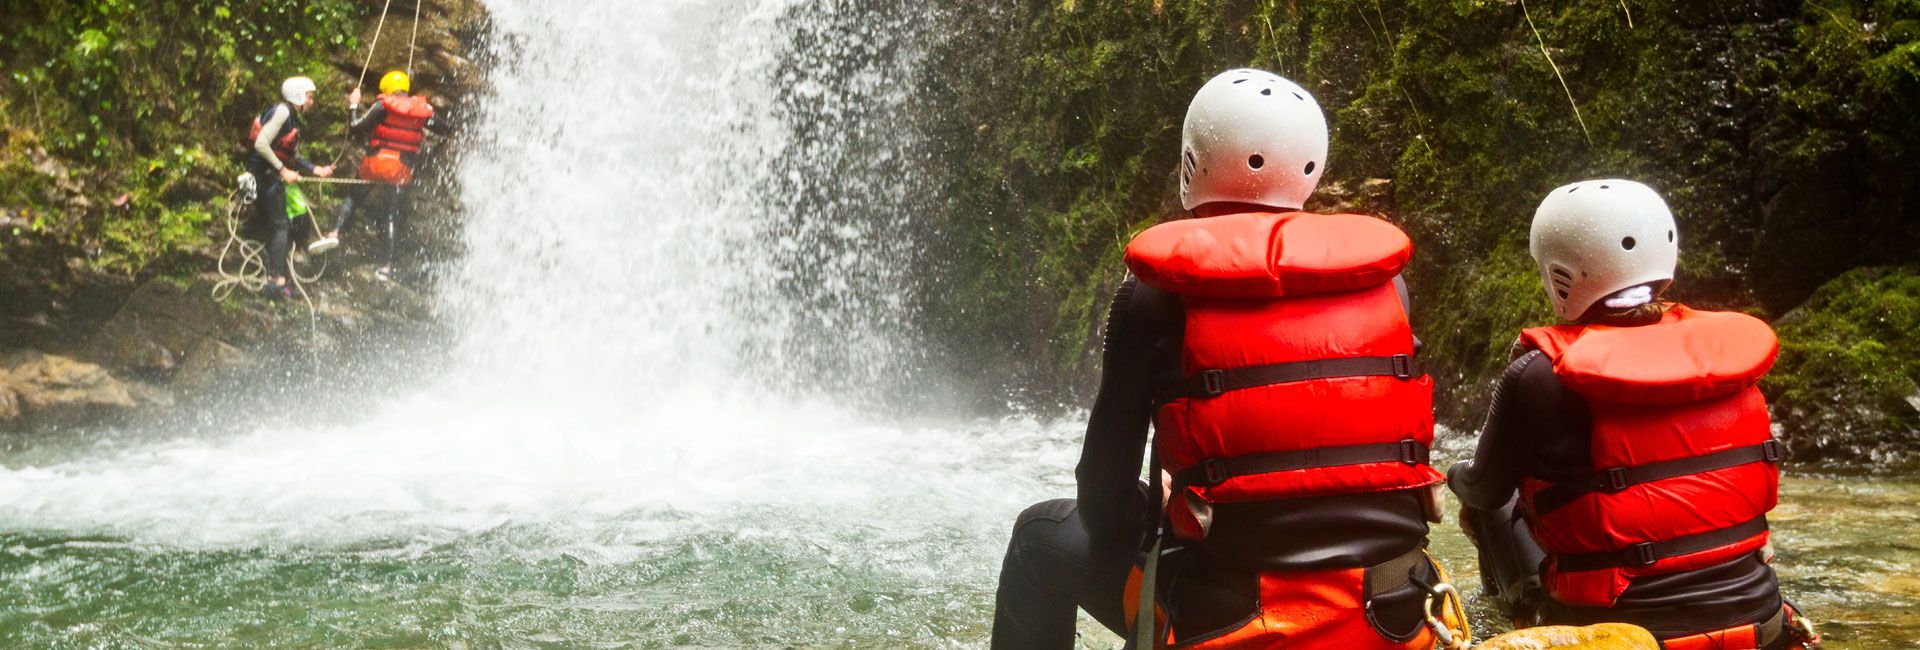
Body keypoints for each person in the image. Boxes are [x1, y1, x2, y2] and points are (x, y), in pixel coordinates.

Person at [991, 69, 1465, 649]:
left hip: (1231, 618)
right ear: (1311, 169)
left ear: (1195, 161)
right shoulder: (1388, 288)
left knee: (1040, 536)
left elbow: (1102, 494)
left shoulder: (1154, 295)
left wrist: (1163, 509)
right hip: (1391, 610)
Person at [1449, 180, 1821, 649]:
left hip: (1620, 635)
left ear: (1558, 271)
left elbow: (1485, 491)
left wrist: (1454, 475)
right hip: (1758, 624)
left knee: (1493, 503)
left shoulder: (1541, 374)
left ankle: (1519, 621)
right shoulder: (1723, 357)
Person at [327, 69, 435, 282]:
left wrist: (353, 105)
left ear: (387, 88)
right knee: (391, 216)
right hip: (401, 169)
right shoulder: (423, 109)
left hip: (375, 162)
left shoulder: (383, 105)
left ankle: (335, 233)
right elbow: (445, 128)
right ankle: (386, 267)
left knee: (354, 197)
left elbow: (356, 127)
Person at [246, 76, 335, 299]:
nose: (311, 102)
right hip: (264, 176)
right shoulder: (283, 112)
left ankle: (278, 279)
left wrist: (317, 170)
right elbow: (261, 144)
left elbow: (291, 155)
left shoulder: (290, 117)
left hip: (270, 175)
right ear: (298, 96)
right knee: (280, 226)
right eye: (310, 97)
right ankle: (274, 281)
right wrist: (282, 170)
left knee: (283, 224)